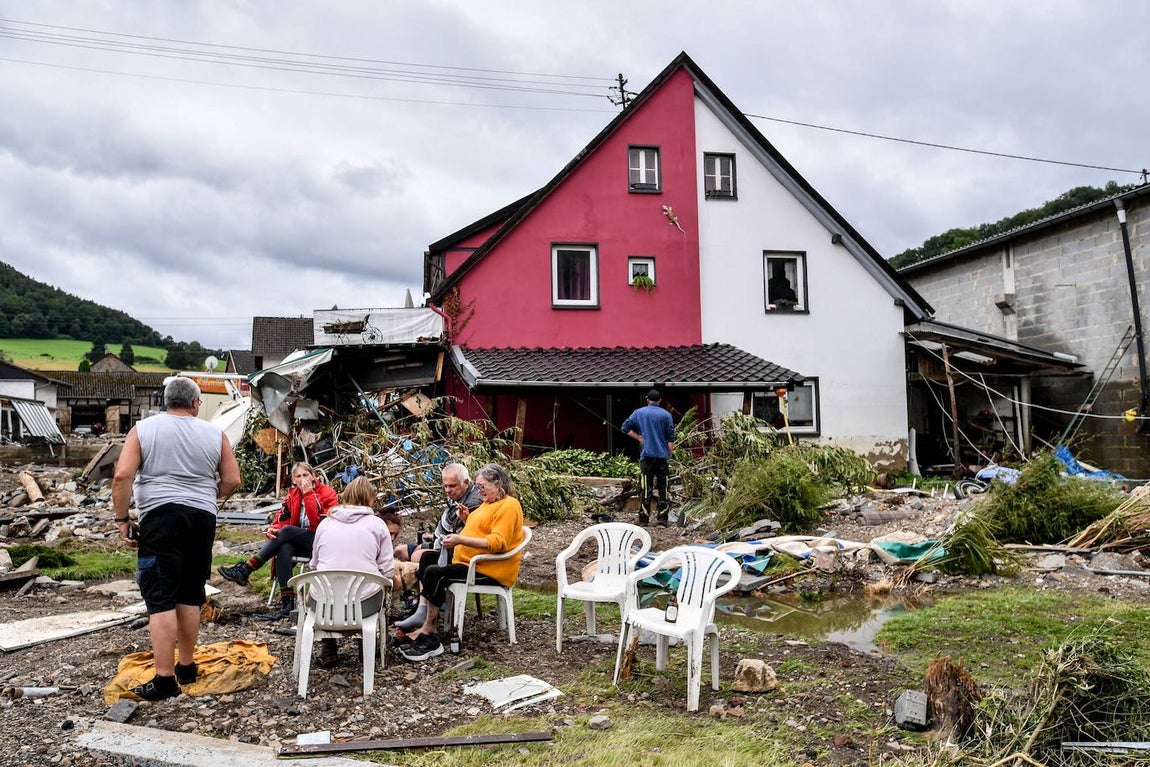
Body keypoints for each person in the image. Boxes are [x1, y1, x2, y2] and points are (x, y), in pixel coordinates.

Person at [112, 377, 241, 701]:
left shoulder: (143, 430)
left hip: (160, 517)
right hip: (201, 519)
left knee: (161, 598)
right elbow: (232, 479)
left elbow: (122, 475)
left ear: (166, 401)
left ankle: (165, 680)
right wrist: (207, 496)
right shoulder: (215, 433)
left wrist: (122, 519)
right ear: (196, 403)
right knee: (189, 593)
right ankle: (186, 665)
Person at [398, 463, 525, 662]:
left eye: (482, 486)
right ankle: (424, 616)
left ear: (498, 484)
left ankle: (430, 635)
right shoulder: (488, 503)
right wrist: (466, 520)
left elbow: (497, 542)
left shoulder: (508, 506)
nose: (479, 490)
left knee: (434, 572)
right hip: (469, 561)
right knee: (427, 558)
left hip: (488, 569)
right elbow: (481, 530)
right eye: (478, 486)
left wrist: (460, 540)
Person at [217, 462, 338, 620]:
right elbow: (282, 518)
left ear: (313, 476)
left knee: (287, 532)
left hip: (321, 541)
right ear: (293, 480)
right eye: (299, 476)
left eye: (306, 475)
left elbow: (318, 523)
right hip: (300, 541)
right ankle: (287, 602)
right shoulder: (292, 495)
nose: (303, 479)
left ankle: (247, 568)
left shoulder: (327, 493)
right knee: (284, 548)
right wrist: (273, 529)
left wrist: (308, 494)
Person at [306, 476, 396, 669]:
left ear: (344, 496)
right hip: (362, 605)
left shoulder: (325, 523)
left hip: (324, 604)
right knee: (374, 587)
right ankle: (368, 646)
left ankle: (328, 648)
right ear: (371, 499)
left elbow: (313, 565)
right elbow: (387, 570)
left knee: (325, 587)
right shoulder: (378, 524)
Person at [622, 388, 676, 526]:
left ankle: (644, 519)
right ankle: (663, 519)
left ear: (647, 400)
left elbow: (625, 427)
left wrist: (639, 438)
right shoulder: (666, 415)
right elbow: (671, 438)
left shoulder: (639, 413)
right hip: (662, 456)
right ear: (659, 401)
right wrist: (669, 455)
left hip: (646, 456)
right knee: (663, 487)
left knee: (646, 487)